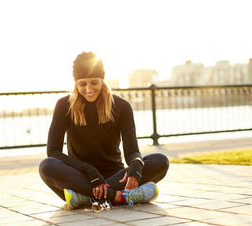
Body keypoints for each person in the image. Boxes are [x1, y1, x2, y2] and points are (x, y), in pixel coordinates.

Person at [39, 51, 169, 210]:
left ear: (102, 80)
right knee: (47, 166)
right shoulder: (64, 105)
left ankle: (85, 198)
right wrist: (89, 171)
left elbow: (132, 151)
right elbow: (53, 152)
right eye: (82, 84)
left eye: (94, 82)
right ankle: (118, 197)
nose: (88, 89)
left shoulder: (122, 106)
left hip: (115, 176)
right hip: (81, 177)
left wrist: (136, 165)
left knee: (161, 161)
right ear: (75, 84)